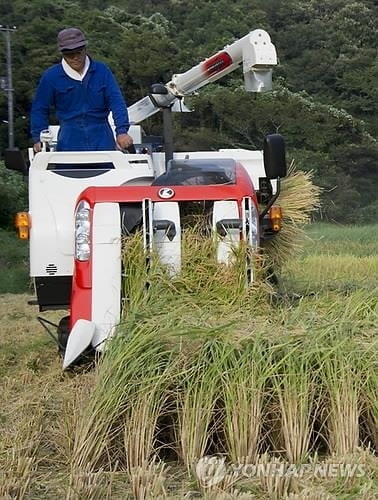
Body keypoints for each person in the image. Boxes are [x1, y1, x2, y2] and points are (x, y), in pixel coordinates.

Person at [31, 27, 133, 152]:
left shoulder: (102, 71)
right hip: (69, 139)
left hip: (102, 137)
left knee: (108, 170)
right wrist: (38, 137)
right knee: (67, 171)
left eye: (78, 52)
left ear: (85, 48)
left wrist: (122, 131)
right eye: (69, 53)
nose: (75, 57)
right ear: (62, 53)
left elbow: (117, 102)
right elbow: (39, 108)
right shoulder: (51, 77)